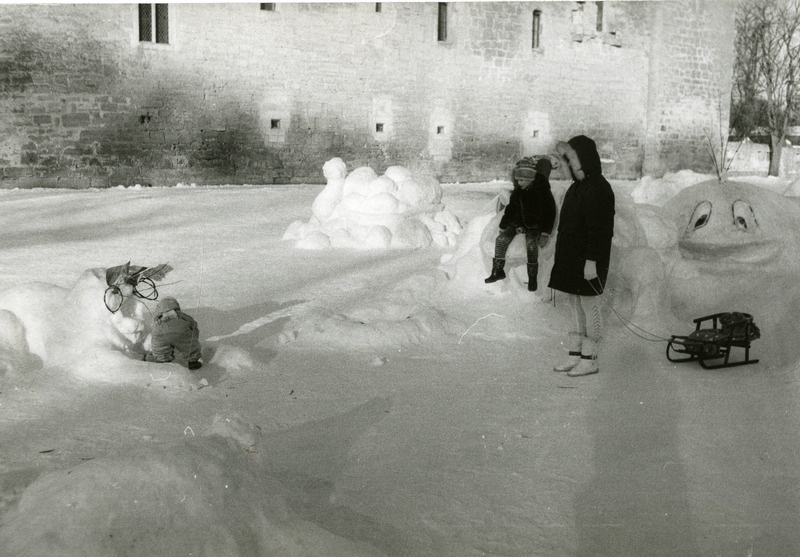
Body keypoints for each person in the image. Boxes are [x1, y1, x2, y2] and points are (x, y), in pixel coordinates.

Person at [548, 135, 615, 377]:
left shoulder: (599, 188)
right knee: (574, 305)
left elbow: (601, 230)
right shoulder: (576, 188)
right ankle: (575, 354)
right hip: (570, 258)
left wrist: (592, 261)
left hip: (587, 260)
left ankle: (590, 358)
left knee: (589, 306)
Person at [485, 157, 557, 291]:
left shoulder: (542, 191)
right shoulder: (518, 192)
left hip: (534, 226)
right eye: (517, 180)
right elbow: (510, 210)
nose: (518, 183)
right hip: (517, 224)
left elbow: (550, 213)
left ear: (530, 179)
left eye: (521, 180)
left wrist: (545, 233)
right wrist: (504, 226)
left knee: (531, 245)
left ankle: (532, 277)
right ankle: (498, 270)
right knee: (501, 240)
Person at [142, 296, 203, 370]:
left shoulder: (159, 317)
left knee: (161, 349)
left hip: (160, 332)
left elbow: (154, 326)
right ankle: (193, 362)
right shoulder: (180, 315)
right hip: (181, 331)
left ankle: (160, 359)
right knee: (189, 345)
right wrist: (194, 337)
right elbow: (193, 324)